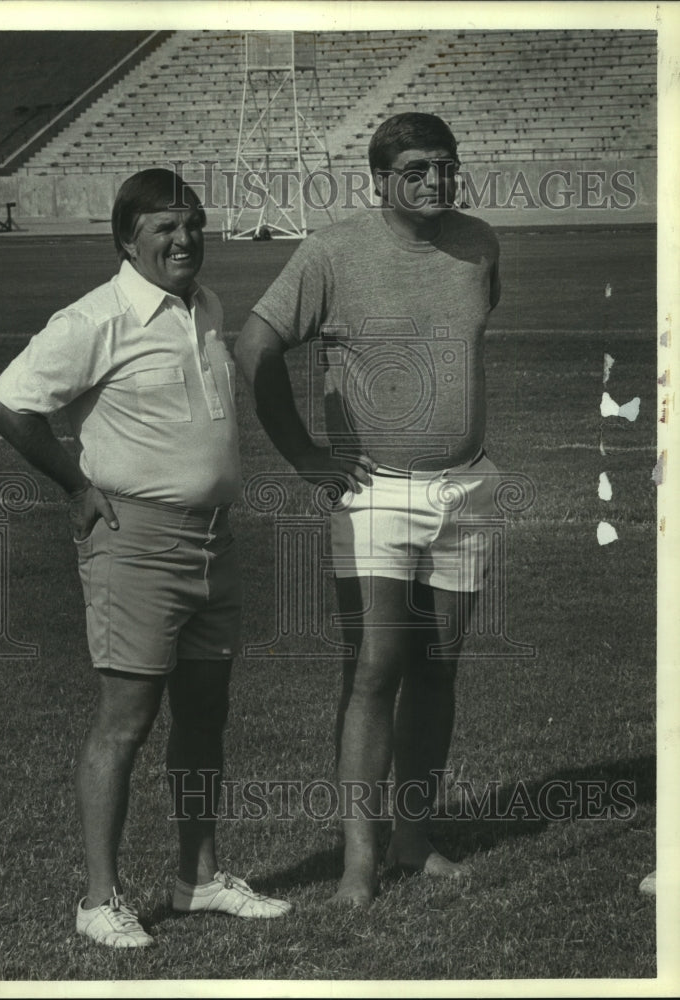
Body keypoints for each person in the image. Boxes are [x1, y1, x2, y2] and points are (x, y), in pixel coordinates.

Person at [0, 168, 291, 948]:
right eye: (164, 228)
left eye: (193, 224)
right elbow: (6, 404)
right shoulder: (95, 318)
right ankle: (99, 899)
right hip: (135, 543)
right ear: (127, 239)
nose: (184, 239)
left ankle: (199, 879)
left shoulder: (205, 306)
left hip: (214, 540)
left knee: (206, 715)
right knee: (126, 722)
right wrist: (76, 488)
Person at [235, 113, 502, 906]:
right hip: (374, 491)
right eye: (415, 170)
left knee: (438, 667)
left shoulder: (480, 244)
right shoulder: (332, 251)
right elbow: (254, 346)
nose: (435, 181)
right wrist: (303, 454)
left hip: (465, 487)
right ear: (381, 180)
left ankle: (414, 839)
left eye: (445, 166)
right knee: (376, 667)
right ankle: (359, 860)